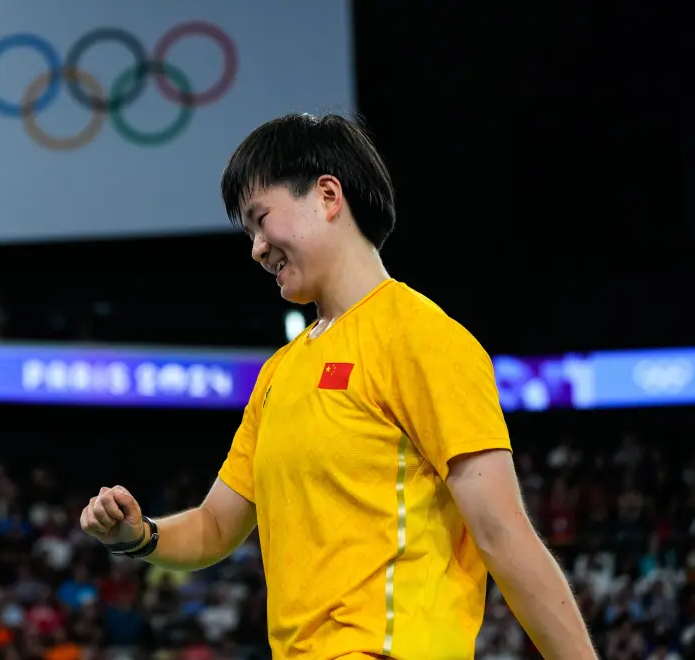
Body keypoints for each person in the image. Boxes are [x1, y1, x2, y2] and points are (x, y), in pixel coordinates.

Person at [80, 113, 596, 659]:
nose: (256, 248)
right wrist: (139, 537)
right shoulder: (280, 373)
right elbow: (214, 525)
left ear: (327, 195)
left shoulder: (423, 338)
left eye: (261, 219)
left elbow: (502, 533)